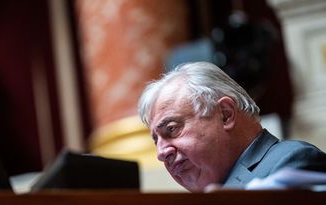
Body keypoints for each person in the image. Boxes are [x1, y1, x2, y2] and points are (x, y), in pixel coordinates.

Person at [137, 61, 326, 191]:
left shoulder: (292, 162)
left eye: (171, 129)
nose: (161, 154)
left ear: (225, 114)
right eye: (156, 141)